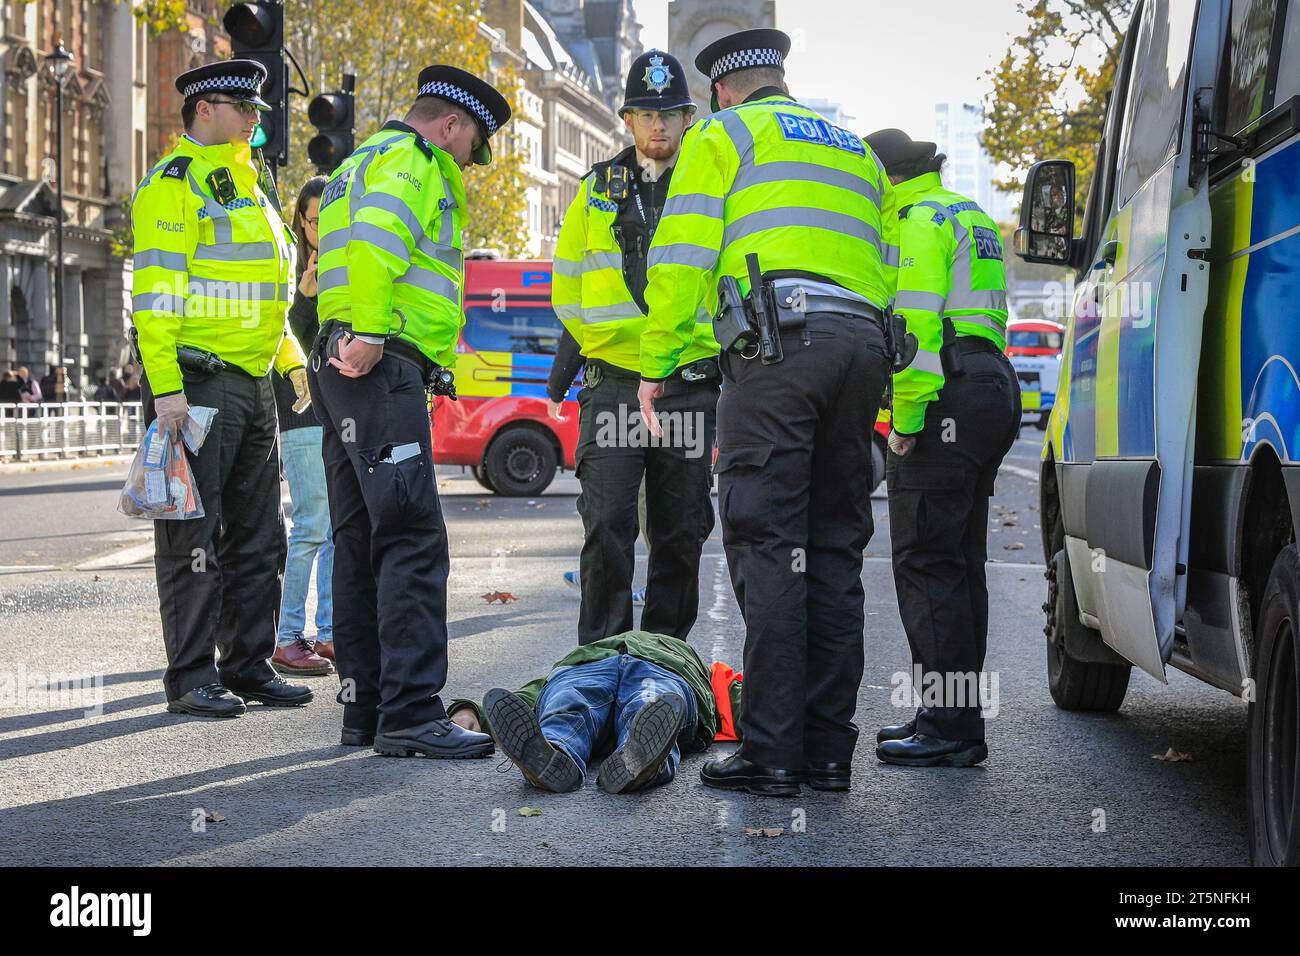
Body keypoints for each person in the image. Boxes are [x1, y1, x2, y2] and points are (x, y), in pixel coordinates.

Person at [638, 29, 895, 796]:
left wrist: (660, 362)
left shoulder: (725, 134)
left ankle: (773, 751)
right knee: (833, 552)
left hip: (780, 350)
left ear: (721, 89)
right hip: (862, 350)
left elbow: (681, 255)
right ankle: (825, 752)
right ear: (782, 78)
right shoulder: (856, 150)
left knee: (770, 544)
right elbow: (885, 264)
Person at [310, 64, 511, 758]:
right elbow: (375, 243)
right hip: (376, 362)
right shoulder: (413, 159)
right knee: (411, 537)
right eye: (469, 144)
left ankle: (366, 707)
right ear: (449, 124)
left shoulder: (361, 158)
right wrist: (372, 333)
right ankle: (412, 713)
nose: (467, 161)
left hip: (344, 364)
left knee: (360, 535)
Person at [130, 59, 312, 717]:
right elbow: (155, 297)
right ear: (206, 109)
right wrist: (166, 388)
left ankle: (247, 664)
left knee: (262, 535)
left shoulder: (250, 182)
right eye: (246, 108)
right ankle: (190, 676)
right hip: (198, 383)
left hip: (253, 382)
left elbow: (268, 296)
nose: (257, 120)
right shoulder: (173, 185)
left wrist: (292, 361)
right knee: (192, 539)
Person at [552, 49, 719, 646]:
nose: (658, 125)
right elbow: (567, 286)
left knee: (680, 532)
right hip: (617, 383)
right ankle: (602, 657)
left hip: (686, 386)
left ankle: (665, 659)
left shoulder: (712, 188)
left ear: (689, 117)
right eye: (646, 112)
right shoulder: (597, 188)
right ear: (626, 118)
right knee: (606, 525)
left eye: (670, 113)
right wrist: (613, 341)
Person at [864, 129, 1021, 767]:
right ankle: (954, 719)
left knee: (927, 561)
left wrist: (905, 416)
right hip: (990, 385)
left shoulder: (917, 219)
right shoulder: (970, 215)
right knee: (959, 563)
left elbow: (915, 326)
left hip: (945, 391)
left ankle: (947, 728)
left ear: (885, 180)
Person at [449, 630, 744, 793]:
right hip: (589, 668)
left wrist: (786, 726)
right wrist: (472, 713)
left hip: (662, 672)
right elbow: (532, 695)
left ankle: (639, 758)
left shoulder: (705, 670)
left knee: (650, 706)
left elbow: (751, 702)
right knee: (568, 701)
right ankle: (552, 755)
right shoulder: (588, 654)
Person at [270, 175, 335, 677]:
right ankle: (289, 636)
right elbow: (290, 341)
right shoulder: (287, 268)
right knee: (312, 524)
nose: (322, 228)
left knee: (335, 527)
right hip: (300, 409)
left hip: (336, 412)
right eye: (314, 220)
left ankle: (329, 631)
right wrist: (307, 297)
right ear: (301, 221)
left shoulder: (346, 259)